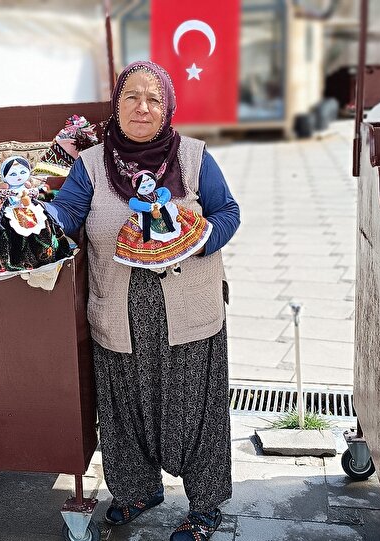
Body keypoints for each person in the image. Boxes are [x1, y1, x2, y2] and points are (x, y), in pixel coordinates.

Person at [45, 61, 240, 541]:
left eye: (154, 99)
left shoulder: (194, 158)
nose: (142, 107)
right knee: (123, 409)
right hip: (118, 314)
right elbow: (67, 211)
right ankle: (136, 491)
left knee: (195, 412)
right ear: (116, 104)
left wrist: (198, 238)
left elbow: (227, 212)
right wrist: (40, 217)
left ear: (168, 107)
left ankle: (205, 507)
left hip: (190, 315)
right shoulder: (91, 165)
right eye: (131, 96)